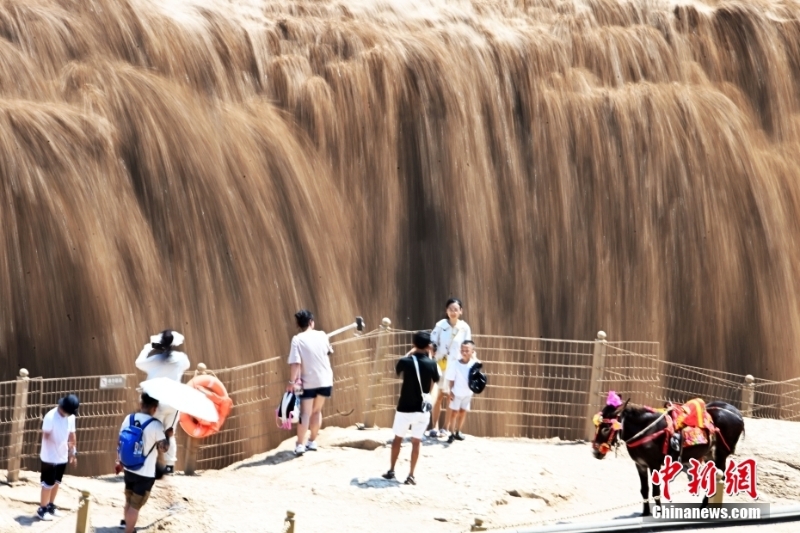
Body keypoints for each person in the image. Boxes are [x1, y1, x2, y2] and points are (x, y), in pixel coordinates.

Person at [382, 331, 440, 485]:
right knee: (416, 442)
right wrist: (430, 355)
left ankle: (392, 470)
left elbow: (397, 370)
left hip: (404, 407)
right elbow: (435, 380)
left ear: (413, 344)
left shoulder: (405, 362)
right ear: (429, 346)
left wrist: (411, 352)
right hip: (422, 409)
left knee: (397, 439)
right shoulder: (432, 364)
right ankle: (411, 475)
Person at [135, 329, 190, 473]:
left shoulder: (155, 360)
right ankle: (170, 466)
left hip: (157, 403)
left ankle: (152, 464)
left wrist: (148, 347)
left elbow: (139, 363)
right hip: (174, 402)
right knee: (170, 433)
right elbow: (187, 365)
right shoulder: (181, 358)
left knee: (153, 433)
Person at [118, 393, 169, 533]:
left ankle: (127, 526)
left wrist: (120, 461)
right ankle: (129, 530)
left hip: (129, 468)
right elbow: (163, 448)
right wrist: (168, 436)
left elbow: (120, 441)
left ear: (141, 405)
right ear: (155, 408)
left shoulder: (129, 418)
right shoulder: (156, 425)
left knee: (128, 500)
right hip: (145, 473)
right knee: (135, 506)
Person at [286, 309, 334, 455]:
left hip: (307, 382)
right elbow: (328, 352)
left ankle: (300, 445)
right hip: (325, 380)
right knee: (317, 411)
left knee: (305, 413)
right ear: (311, 322)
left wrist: (291, 382)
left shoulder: (297, 339)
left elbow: (295, 363)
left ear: (299, 324)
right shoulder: (322, 335)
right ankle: (312, 441)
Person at [428, 297, 472, 438]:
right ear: (446, 311)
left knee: (451, 397)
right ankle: (434, 426)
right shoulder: (440, 325)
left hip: (456, 367)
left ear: (461, 311)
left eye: (456, 309)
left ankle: (445, 427)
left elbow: (468, 346)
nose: (453, 312)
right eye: (450, 309)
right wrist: (432, 349)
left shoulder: (465, 328)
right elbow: (432, 341)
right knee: (438, 395)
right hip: (440, 364)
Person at [36, 394, 79, 521]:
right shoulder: (50, 416)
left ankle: (50, 505)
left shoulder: (70, 417)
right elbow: (46, 435)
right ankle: (42, 509)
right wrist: (55, 441)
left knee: (56, 482)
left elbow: (72, 434)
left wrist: (73, 452)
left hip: (62, 456)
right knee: (47, 484)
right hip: (49, 457)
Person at [445, 340, 479, 443]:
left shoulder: (474, 364)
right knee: (454, 412)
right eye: (462, 350)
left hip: (468, 393)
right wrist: (450, 391)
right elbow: (451, 379)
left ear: (472, 351)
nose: (464, 352)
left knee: (463, 412)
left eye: (467, 350)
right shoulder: (455, 364)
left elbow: (480, 365)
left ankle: (458, 431)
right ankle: (451, 433)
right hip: (456, 392)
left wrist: (475, 357)